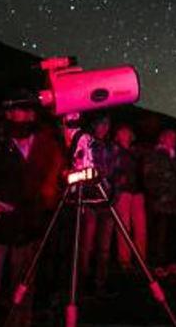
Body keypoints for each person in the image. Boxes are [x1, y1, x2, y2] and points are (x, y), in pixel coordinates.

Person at [0, 93, 64, 327]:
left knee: (24, 283)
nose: (28, 115)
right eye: (22, 110)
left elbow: (49, 176)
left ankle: (20, 322)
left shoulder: (42, 140)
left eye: (31, 110)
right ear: (9, 112)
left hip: (27, 222)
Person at [77, 116, 118, 292]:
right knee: (87, 244)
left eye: (106, 124)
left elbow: (118, 172)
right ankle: (82, 280)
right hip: (91, 200)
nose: (104, 128)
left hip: (107, 201)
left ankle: (100, 281)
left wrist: (115, 192)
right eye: (101, 124)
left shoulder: (111, 147)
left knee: (104, 246)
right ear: (94, 126)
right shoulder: (87, 144)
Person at [143, 128, 176, 277]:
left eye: (174, 137)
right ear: (162, 138)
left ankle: (171, 263)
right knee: (159, 235)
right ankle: (157, 264)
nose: (173, 140)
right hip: (161, 203)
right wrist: (160, 194)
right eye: (170, 137)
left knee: (173, 235)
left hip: (175, 203)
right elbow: (149, 177)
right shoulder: (155, 155)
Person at [108, 124, 148, 271]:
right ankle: (125, 261)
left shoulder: (137, 151)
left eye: (127, 132)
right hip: (123, 192)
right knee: (124, 227)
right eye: (121, 132)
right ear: (117, 135)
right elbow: (111, 170)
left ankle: (140, 260)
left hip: (138, 191)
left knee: (140, 228)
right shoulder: (114, 151)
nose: (125, 134)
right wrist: (118, 180)